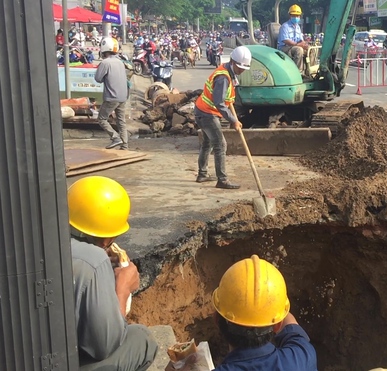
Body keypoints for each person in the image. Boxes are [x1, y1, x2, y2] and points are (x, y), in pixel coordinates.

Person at [67, 176, 158, 370]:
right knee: (142, 339)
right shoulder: (94, 260)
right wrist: (123, 289)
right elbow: (104, 346)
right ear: (106, 239)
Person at [166, 255, 317, 371]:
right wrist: (266, 301)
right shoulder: (302, 356)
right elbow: (290, 323)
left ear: (216, 319)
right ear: (277, 325)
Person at [194, 46, 251, 189]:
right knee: (220, 144)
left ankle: (202, 174)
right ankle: (222, 180)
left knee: (207, 143)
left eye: (243, 68)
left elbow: (226, 98)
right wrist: (233, 120)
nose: (241, 71)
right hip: (207, 113)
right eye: (239, 68)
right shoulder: (222, 77)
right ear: (232, 61)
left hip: (202, 110)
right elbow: (219, 103)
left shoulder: (228, 71)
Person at [95, 37, 129, 150]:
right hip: (123, 96)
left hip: (111, 97)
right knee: (121, 121)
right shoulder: (120, 62)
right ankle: (125, 146)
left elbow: (98, 79)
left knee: (102, 119)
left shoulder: (105, 63)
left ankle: (115, 137)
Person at [277, 4, 308, 74]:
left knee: (311, 49)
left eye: (297, 16)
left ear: (300, 16)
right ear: (290, 16)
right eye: (293, 15)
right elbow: (285, 40)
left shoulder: (298, 27)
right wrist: (298, 45)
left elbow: (301, 39)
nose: (296, 17)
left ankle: (308, 72)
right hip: (284, 47)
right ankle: (298, 73)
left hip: (294, 45)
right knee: (299, 50)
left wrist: (305, 44)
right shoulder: (285, 26)